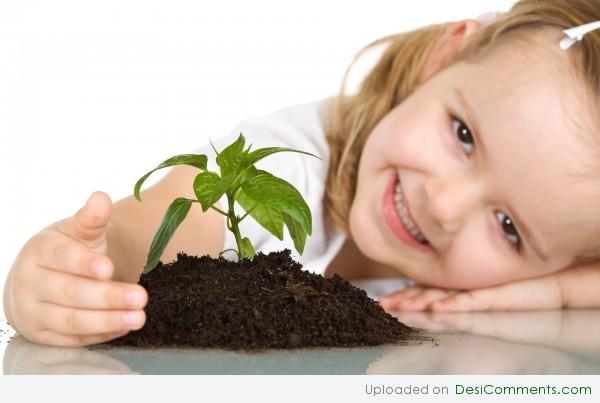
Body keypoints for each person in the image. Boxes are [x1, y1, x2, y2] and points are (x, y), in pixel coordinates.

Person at [5, 0, 600, 347]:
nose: (445, 206)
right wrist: (90, 262)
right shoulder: (294, 165)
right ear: (442, 58)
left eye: (509, 227)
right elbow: (174, 215)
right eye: (464, 136)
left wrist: (559, 290)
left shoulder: (550, 267)